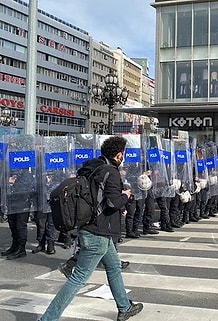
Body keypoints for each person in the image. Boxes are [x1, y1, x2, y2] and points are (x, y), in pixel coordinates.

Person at [38, 136, 143, 321]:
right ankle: (47, 319)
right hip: (98, 231)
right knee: (78, 278)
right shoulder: (111, 172)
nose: (123, 157)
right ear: (118, 156)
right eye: (123, 154)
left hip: (89, 225)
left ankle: (124, 307)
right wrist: (126, 195)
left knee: (114, 267)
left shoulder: (90, 167)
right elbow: (112, 202)